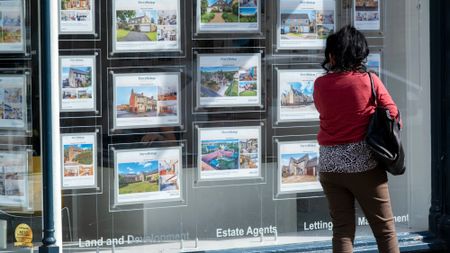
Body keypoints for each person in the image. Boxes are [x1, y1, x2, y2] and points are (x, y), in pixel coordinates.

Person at [313, 25, 401, 253]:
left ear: (333, 55)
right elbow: (394, 115)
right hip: (364, 164)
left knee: (342, 231)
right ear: (359, 54)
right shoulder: (368, 81)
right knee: (385, 231)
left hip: (330, 166)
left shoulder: (320, 84)